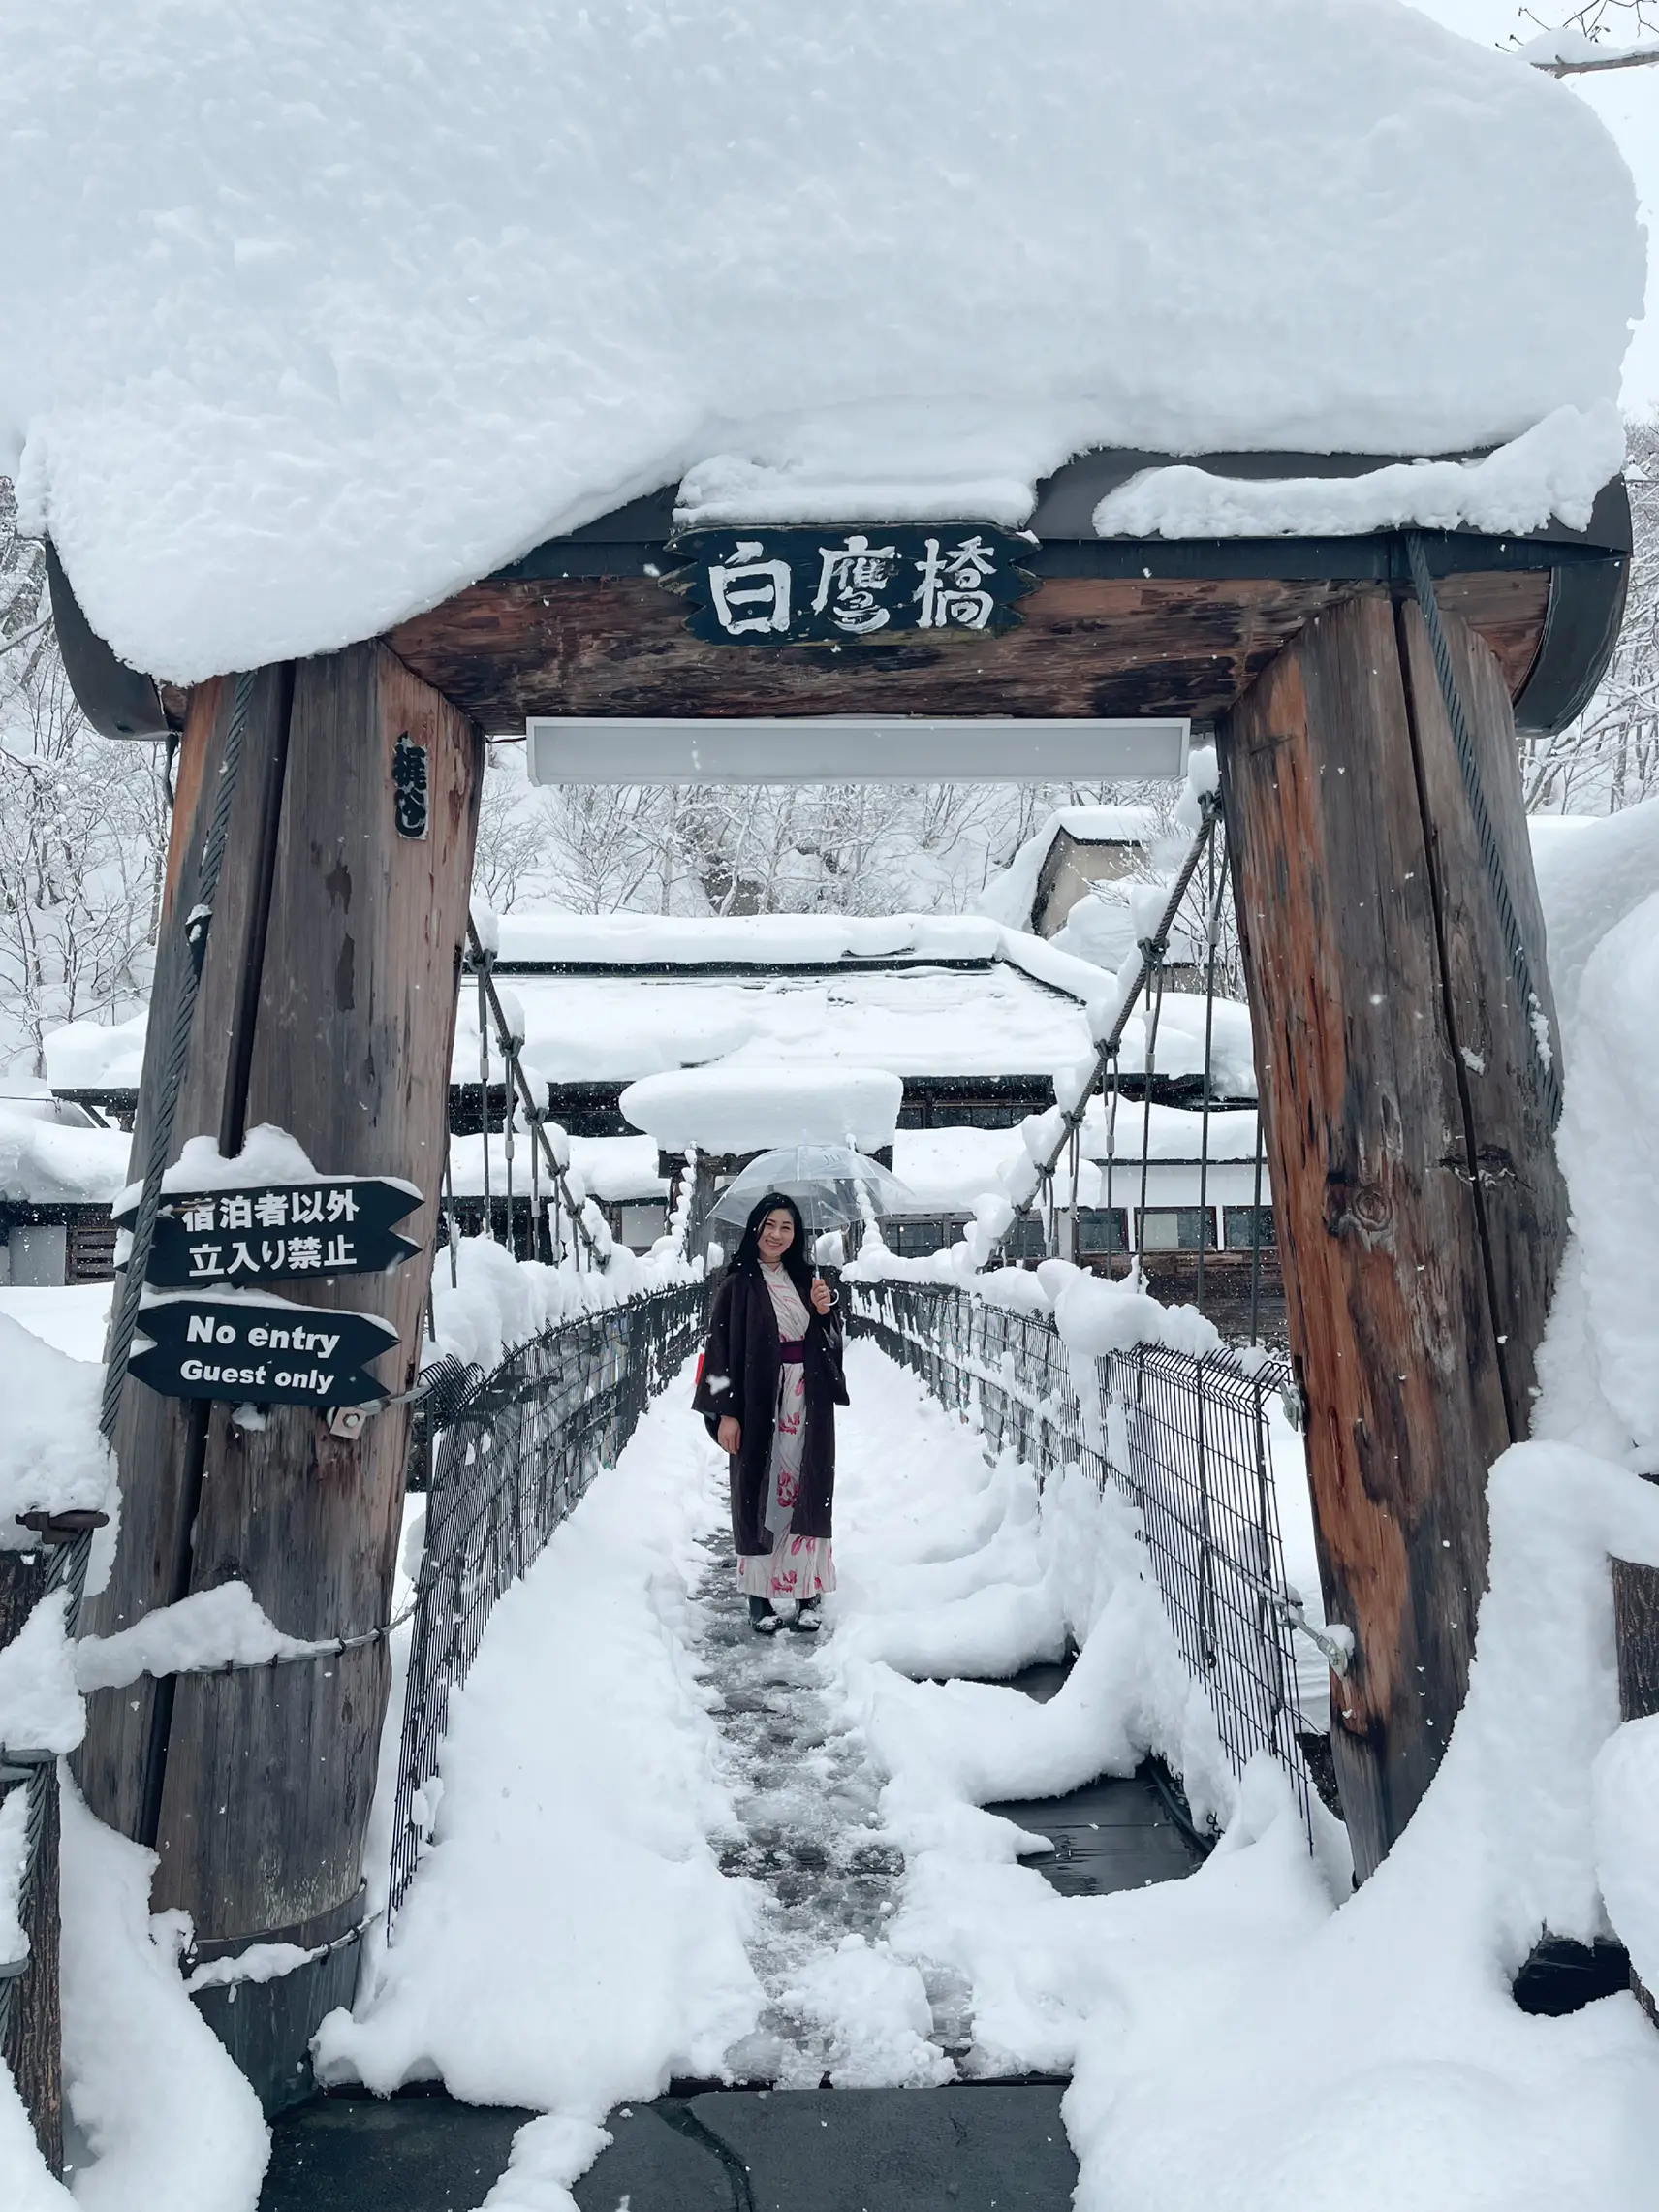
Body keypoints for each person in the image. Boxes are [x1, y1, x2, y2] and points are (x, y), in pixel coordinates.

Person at [693, 1192, 847, 1634]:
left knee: (806, 1488)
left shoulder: (807, 1281)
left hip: (807, 1399)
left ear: (796, 1235)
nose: (777, 1235)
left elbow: (832, 1346)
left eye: (787, 1228)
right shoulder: (737, 1285)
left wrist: (824, 1312)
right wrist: (725, 1413)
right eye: (770, 1225)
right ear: (756, 1228)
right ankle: (759, 1599)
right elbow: (718, 1357)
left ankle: (807, 1594)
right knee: (757, 1492)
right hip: (758, 1402)